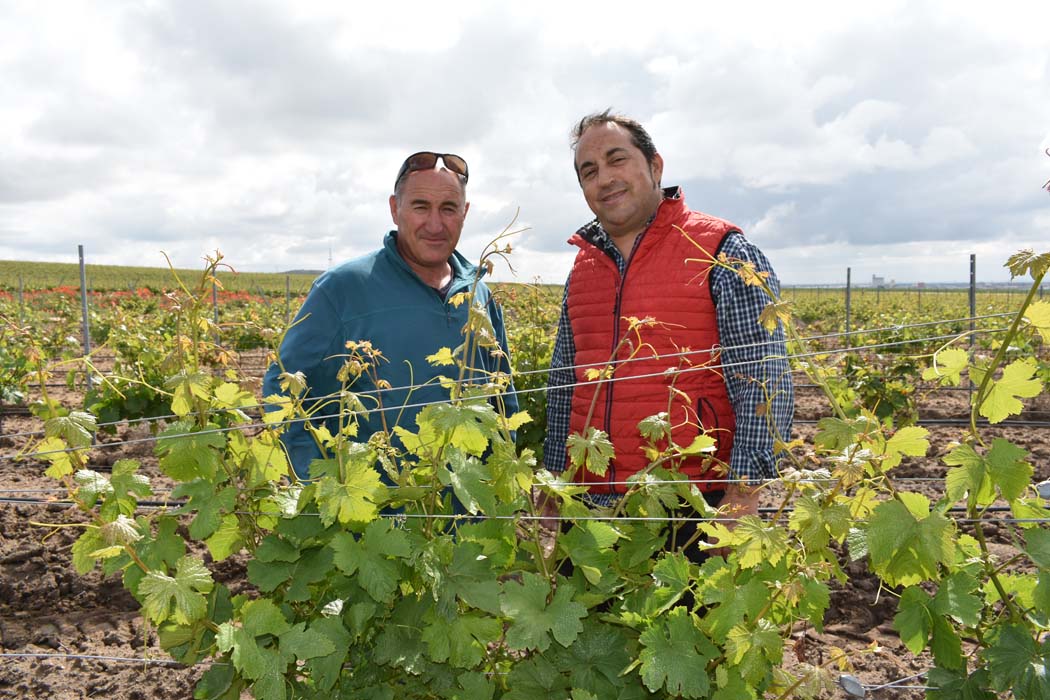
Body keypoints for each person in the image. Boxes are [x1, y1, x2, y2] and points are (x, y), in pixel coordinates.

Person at [543, 110, 794, 551]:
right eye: (589, 171)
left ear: (655, 166)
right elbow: (565, 384)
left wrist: (742, 494)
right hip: (590, 507)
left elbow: (765, 382)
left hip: (693, 504)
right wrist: (553, 484)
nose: (604, 178)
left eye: (617, 159)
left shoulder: (722, 251)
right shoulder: (583, 267)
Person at [263, 151, 517, 479]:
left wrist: (502, 482)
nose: (436, 224)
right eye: (421, 206)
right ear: (395, 209)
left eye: (449, 209)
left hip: (470, 511)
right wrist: (323, 484)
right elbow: (282, 386)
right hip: (373, 518)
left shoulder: (480, 296)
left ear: (465, 213)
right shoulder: (342, 288)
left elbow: (504, 397)